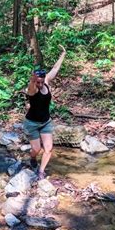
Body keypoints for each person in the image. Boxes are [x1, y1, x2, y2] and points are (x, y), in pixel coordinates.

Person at [23, 44, 66, 180]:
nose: (40, 85)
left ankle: (41, 172)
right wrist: (33, 79)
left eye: (41, 82)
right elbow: (31, 88)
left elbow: (55, 69)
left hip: (46, 122)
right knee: (36, 149)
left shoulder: (46, 80)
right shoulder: (32, 88)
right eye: (38, 82)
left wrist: (63, 54)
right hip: (32, 123)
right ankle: (33, 158)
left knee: (48, 149)